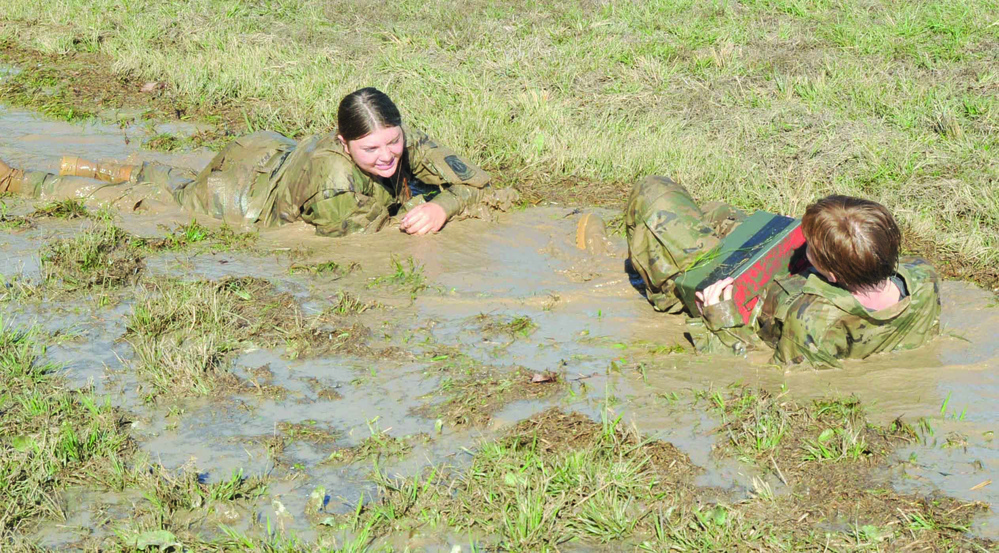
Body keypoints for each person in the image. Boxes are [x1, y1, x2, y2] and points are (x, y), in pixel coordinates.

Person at [0, 87, 515, 236]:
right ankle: (23, 181)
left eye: (393, 143)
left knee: (174, 184)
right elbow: (370, 244)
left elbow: (482, 184)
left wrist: (445, 207)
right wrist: (428, 207)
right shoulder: (340, 186)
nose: (387, 157)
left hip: (267, 158)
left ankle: (91, 162)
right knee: (145, 205)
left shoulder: (403, 141)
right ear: (343, 142)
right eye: (370, 149)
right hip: (240, 196)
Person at [621, 175, 941, 369]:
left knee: (655, 192)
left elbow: (752, 367)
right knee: (723, 213)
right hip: (777, 281)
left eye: (810, 247)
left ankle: (610, 249)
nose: (804, 246)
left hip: (739, 296)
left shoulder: (811, 321)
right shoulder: (923, 279)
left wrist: (719, 316)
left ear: (830, 274)